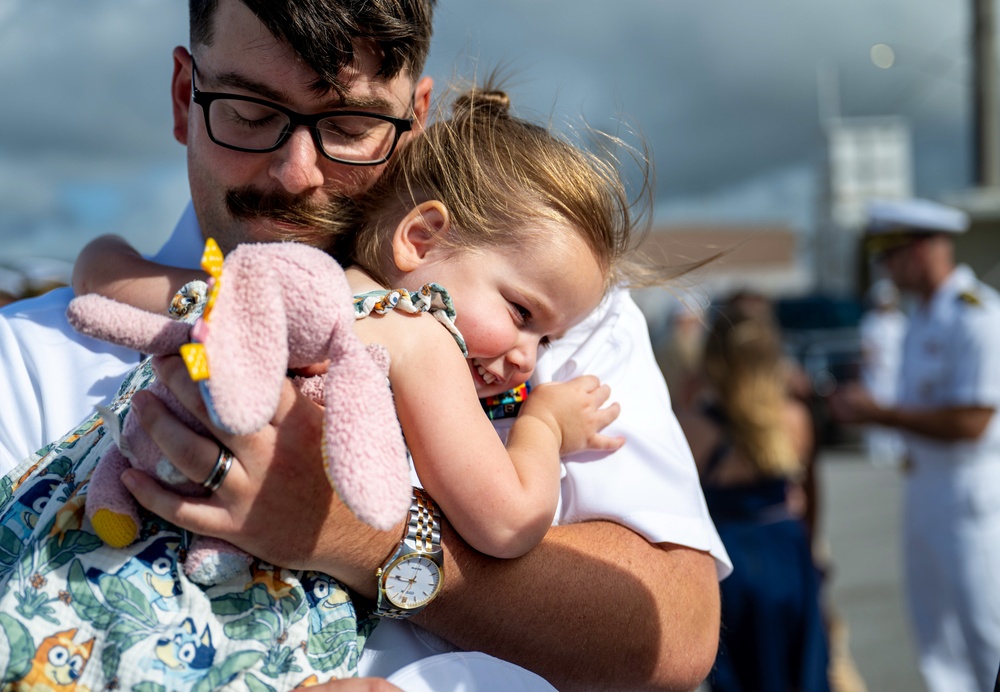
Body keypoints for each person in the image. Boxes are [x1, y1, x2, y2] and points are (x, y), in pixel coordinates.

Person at [0, 1, 730, 689]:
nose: (297, 173)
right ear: (184, 94)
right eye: (250, 113)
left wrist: (356, 536)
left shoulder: (547, 306)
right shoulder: (28, 355)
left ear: (413, 118)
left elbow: (676, 633)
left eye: (347, 126)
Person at [829, 197, 1000, 692]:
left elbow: (973, 422)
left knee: (987, 638)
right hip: (926, 491)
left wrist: (879, 413)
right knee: (937, 648)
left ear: (922, 250)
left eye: (891, 254)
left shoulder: (978, 316)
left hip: (971, 500)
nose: (886, 269)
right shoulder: (921, 318)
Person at [677, 300, 830, 692]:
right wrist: (809, 551)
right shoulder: (793, 418)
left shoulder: (692, 426)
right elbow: (812, 495)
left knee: (739, 675)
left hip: (728, 563)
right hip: (787, 553)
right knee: (799, 671)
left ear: (713, 358)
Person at [858, 278, 907, 468]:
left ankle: (897, 447)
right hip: (876, 375)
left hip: (896, 374)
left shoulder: (901, 321)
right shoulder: (870, 321)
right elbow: (867, 348)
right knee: (876, 408)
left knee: (896, 407)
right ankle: (877, 448)